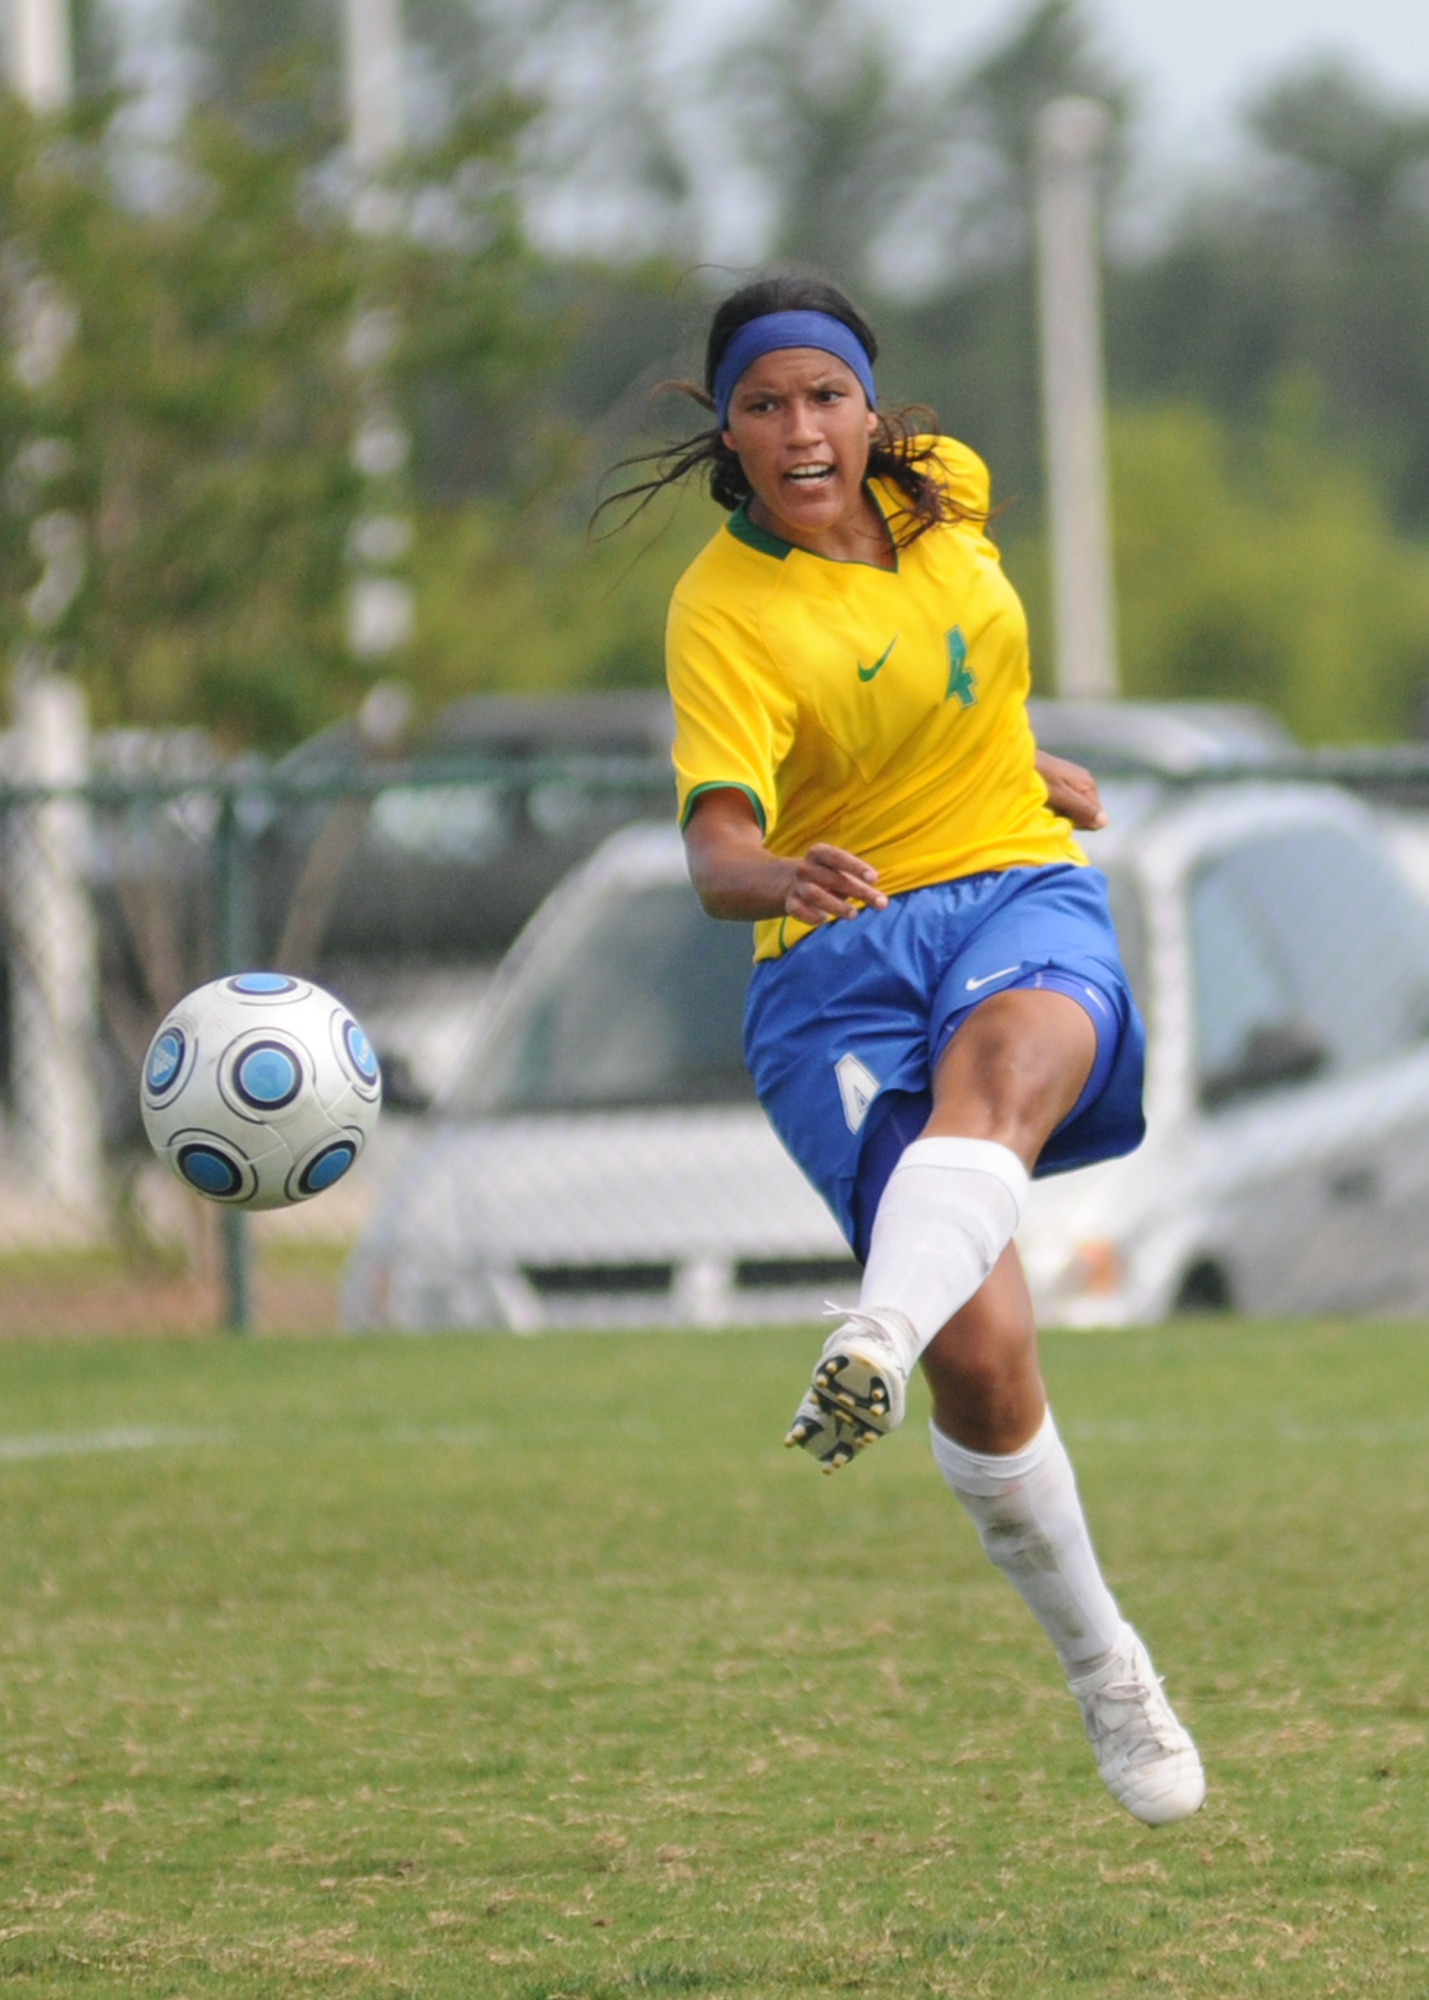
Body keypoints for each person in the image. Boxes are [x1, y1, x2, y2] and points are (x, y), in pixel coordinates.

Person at [613, 273, 1203, 1828]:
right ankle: (1103, 1660)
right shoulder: (722, 614)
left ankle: (864, 1332)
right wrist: (781, 877)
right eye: (763, 405)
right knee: (990, 1356)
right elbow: (717, 849)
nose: (800, 430)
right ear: (726, 435)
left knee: (1000, 1084)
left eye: (824, 395)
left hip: (1012, 886)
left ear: (870, 408)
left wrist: (1026, 757)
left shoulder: (945, 492)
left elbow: (949, 670)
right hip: (832, 963)